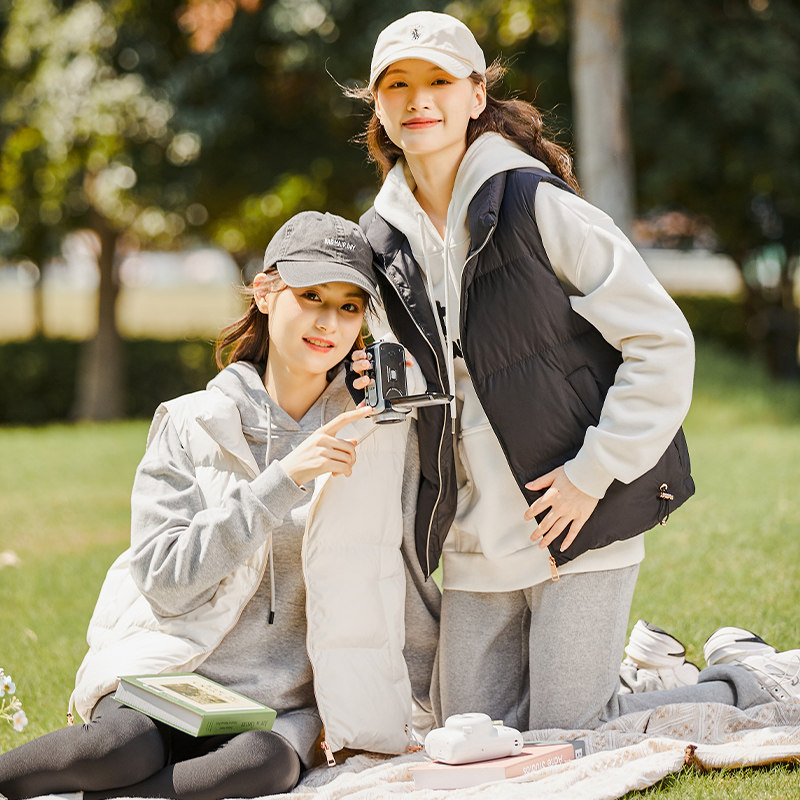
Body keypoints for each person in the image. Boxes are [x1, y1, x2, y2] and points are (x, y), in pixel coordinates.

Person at [347, 10, 800, 734]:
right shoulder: (377, 246)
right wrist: (375, 388)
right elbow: (403, 390)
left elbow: (662, 341)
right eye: (397, 84)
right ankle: (645, 671)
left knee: (572, 731)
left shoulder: (534, 206)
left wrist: (594, 472)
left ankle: (749, 679)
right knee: (469, 734)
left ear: (474, 95)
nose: (418, 99)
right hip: (473, 541)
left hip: (579, 518)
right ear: (377, 104)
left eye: (438, 80)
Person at [0, 211, 419, 800]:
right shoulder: (191, 422)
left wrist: (420, 709)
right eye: (312, 296)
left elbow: (403, 575)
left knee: (258, 768)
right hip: (177, 677)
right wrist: (280, 483)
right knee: (119, 750)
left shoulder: (374, 437)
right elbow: (164, 579)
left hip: (279, 710)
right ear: (268, 293)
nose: (330, 321)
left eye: (350, 306)